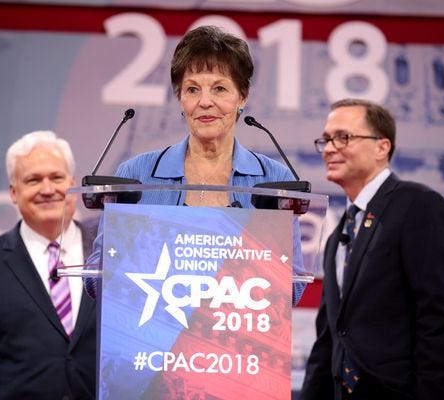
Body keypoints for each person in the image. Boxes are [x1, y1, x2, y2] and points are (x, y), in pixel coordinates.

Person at [84, 25, 304, 304]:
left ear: (243, 96)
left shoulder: (272, 180)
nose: (205, 102)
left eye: (219, 88)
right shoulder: (136, 174)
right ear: (180, 99)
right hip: (151, 328)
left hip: (237, 328)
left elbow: (294, 286)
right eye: (192, 89)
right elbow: (95, 278)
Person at [299, 99, 444, 400]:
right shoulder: (337, 235)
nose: (329, 149)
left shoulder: (419, 206)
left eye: (343, 137)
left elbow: (439, 320)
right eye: (325, 140)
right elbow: (328, 339)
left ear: (382, 147)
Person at [0, 131, 97, 399]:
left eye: (57, 178)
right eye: (33, 180)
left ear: (72, 184)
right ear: (13, 192)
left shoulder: (112, 254)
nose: (48, 189)